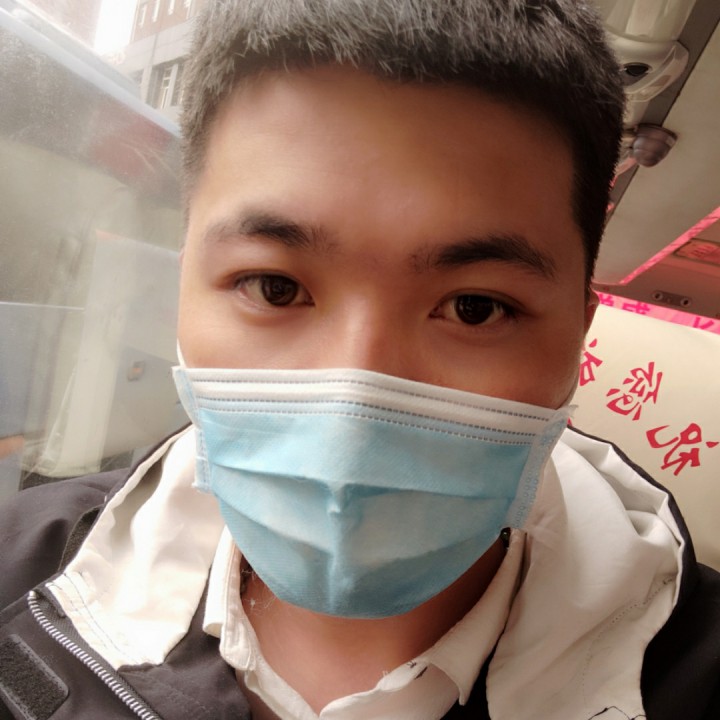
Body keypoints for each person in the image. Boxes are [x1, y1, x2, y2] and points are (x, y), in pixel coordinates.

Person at [1, 1, 719, 718]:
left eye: (475, 307)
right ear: (183, 288)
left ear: (578, 332)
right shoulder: (18, 574)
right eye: (275, 288)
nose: (354, 407)